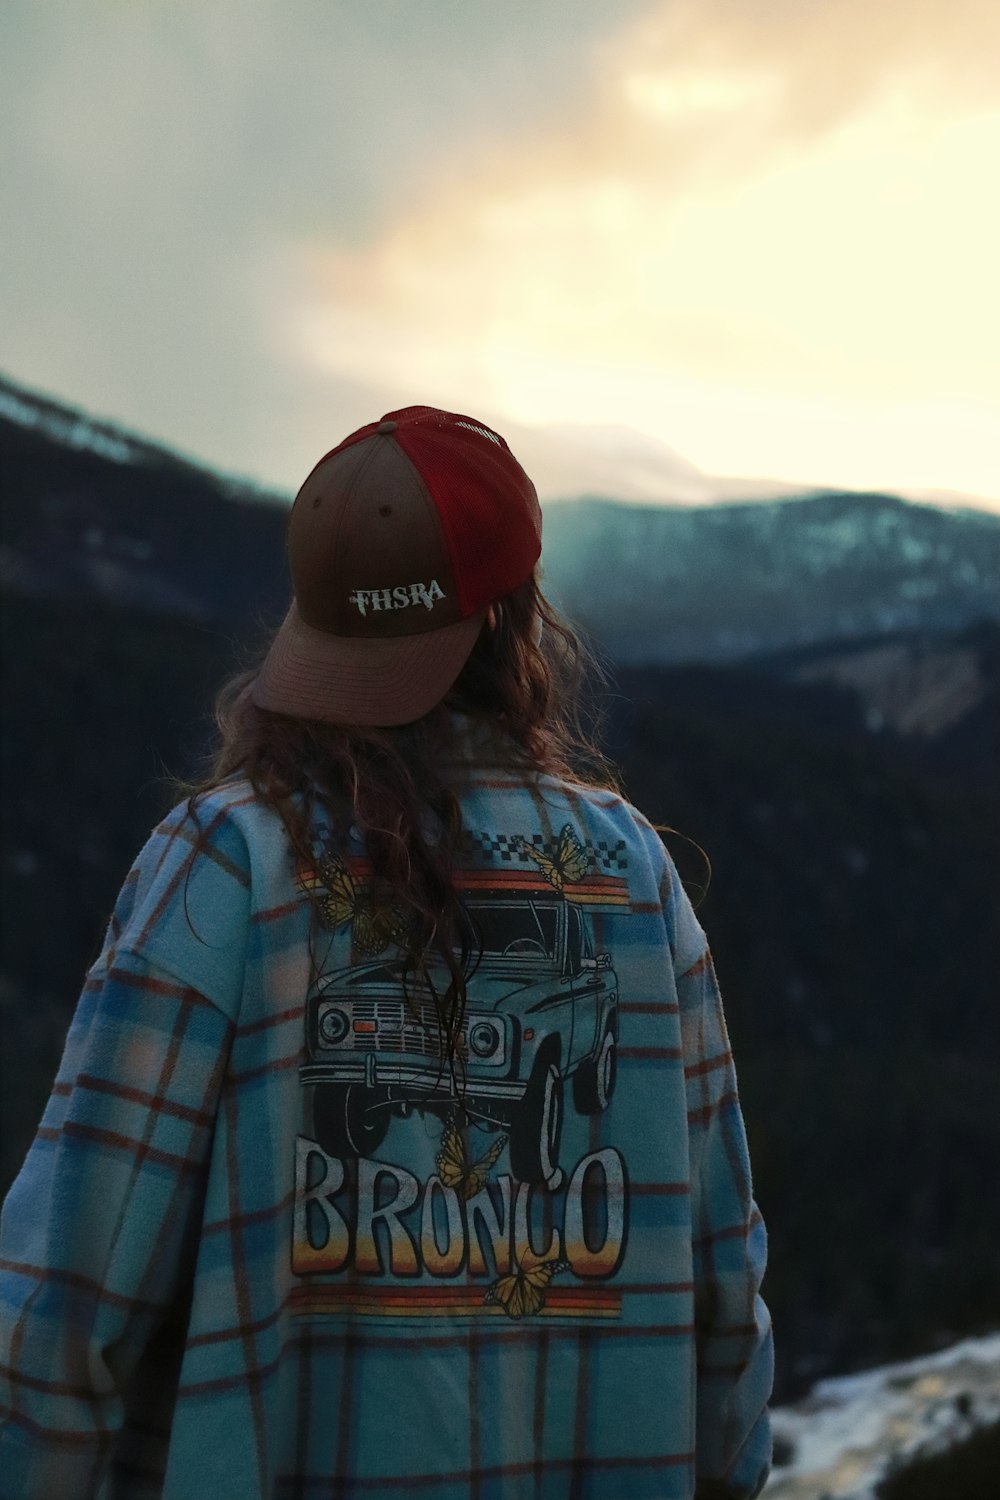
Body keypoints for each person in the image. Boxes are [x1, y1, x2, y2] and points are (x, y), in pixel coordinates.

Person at [0, 406, 773, 1499]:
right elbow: (722, 1294)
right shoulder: (634, 878)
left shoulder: (231, 862)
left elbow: (63, 1299)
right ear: (515, 624)